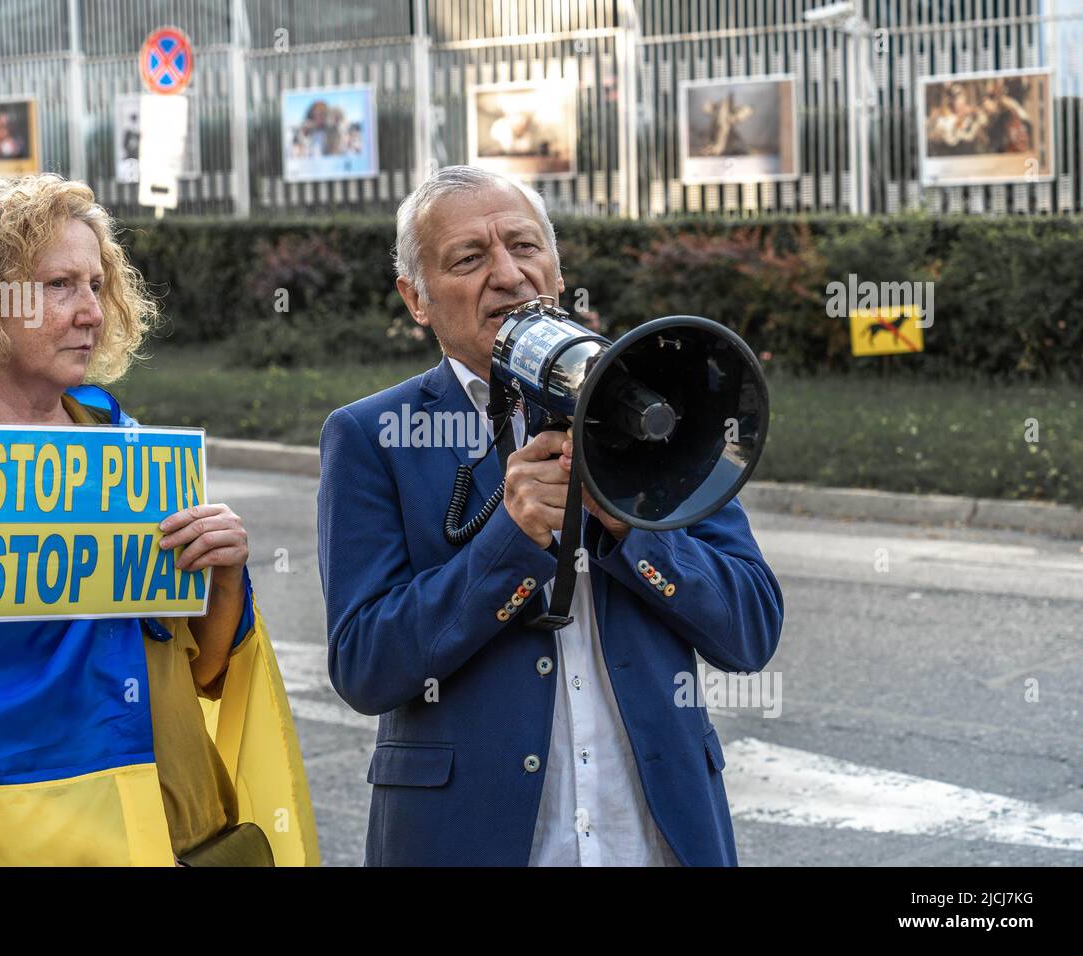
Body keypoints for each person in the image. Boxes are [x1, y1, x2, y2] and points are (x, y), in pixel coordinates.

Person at [316, 165, 784, 866]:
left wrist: (630, 528)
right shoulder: (371, 435)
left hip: (653, 840)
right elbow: (367, 666)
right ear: (415, 298)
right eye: (469, 258)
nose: (508, 275)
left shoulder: (651, 401)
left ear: (558, 272)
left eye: (525, 247)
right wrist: (510, 542)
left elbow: (750, 629)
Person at [0, 173, 316, 866]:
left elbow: (201, 671)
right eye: (59, 285)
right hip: (40, 841)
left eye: (96, 284)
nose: (91, 310)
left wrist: (223, 578)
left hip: (182, 825)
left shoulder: (124, 441)